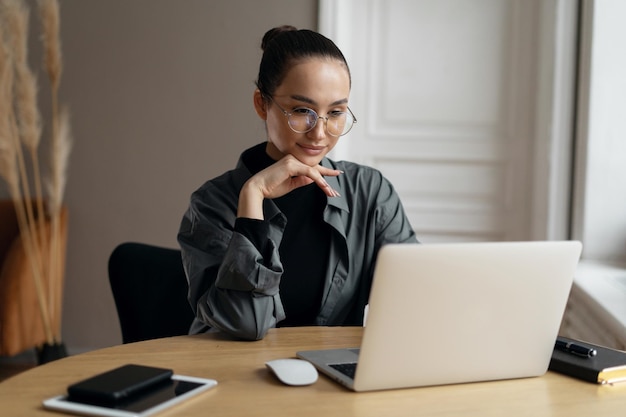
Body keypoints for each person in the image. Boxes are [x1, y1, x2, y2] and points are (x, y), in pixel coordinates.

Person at [178, 25, 418, 341]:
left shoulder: (369, 191)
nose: (319, 133)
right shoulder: (212, 203)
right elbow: (247, 323)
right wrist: (254, 195)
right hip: (236, 378)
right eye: (302, 110)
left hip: (329, 378)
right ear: (262, 103)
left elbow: (414, 300)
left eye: (335, 112)